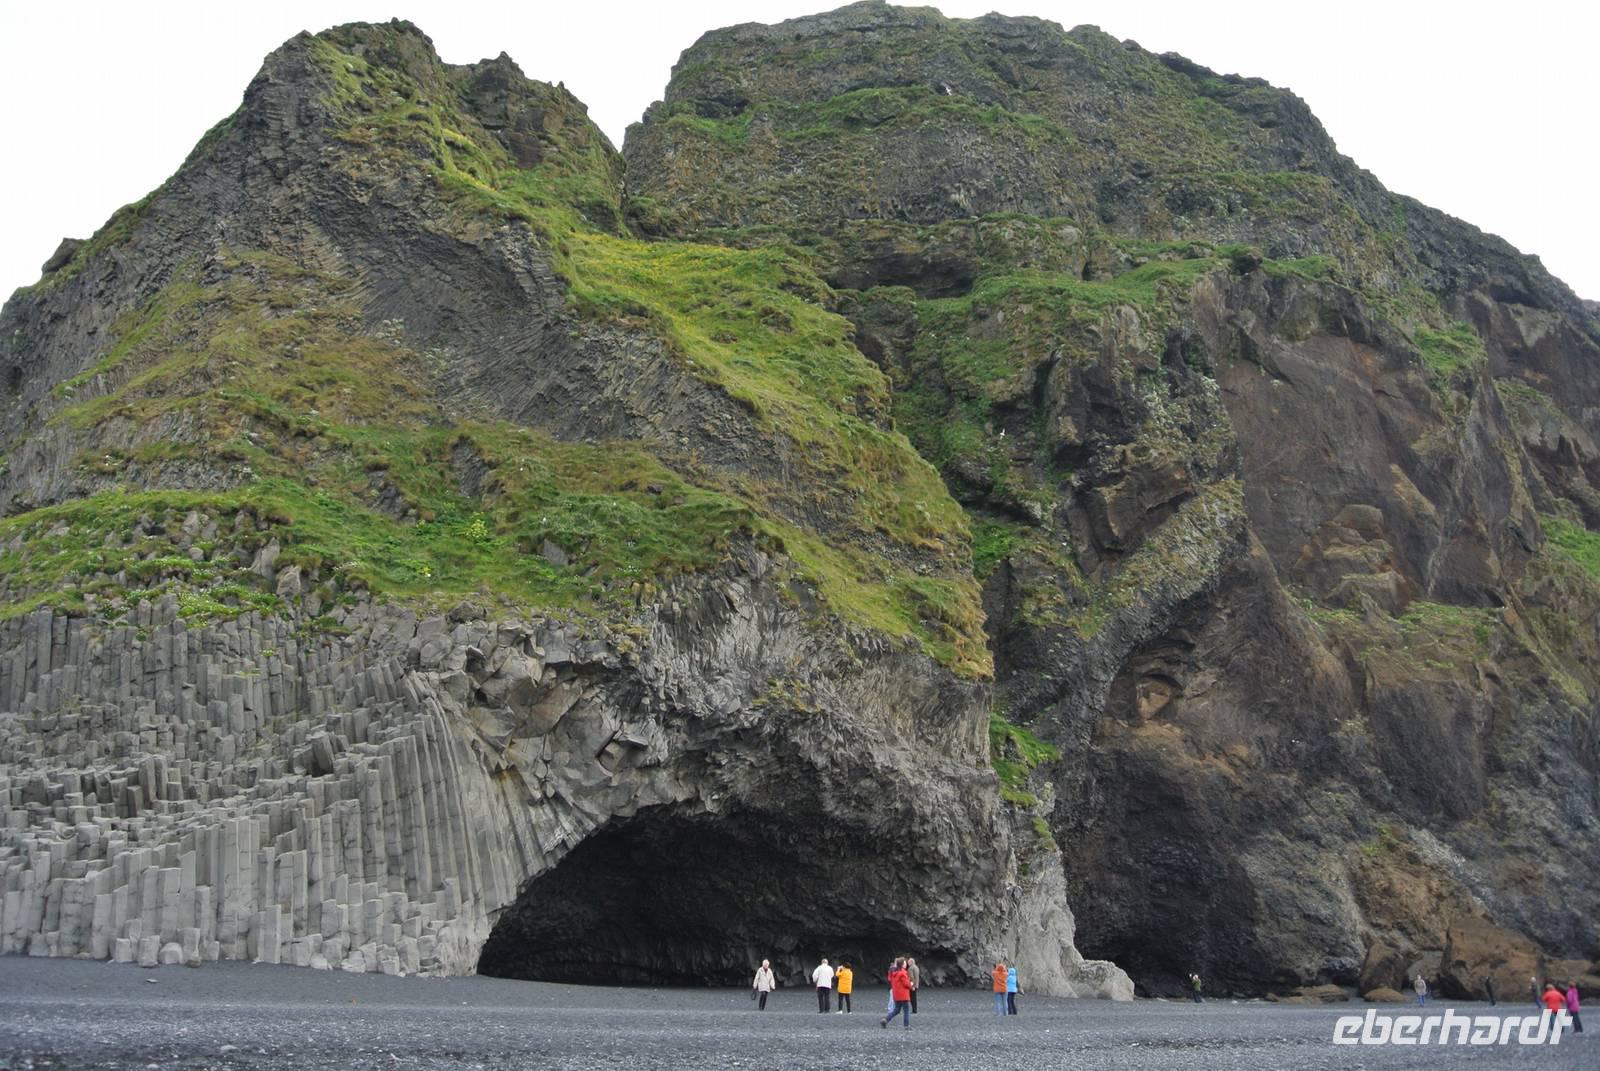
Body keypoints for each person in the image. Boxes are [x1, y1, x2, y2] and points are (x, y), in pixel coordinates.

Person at [882, 959, 913, 1030]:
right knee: (906, 1010)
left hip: (896, 994)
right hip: (904, 995)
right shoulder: (903, 973)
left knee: (896, 1010)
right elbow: (906, 984)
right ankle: (906, 1025)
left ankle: (886, 1020)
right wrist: (911, 986)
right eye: (905, 963)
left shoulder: (894, 973)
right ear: (902, 965)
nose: (906, 964)